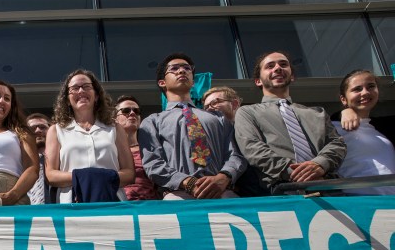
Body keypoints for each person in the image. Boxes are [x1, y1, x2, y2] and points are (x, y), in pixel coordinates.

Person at [234, 51, 346, 195]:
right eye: (270, 66)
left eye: (283, 64)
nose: (277, 68)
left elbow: (337, 144)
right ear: (258, 81)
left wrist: (320, 164)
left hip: (329, 188)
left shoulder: (318, 113)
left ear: (292, 76)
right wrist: (296, 173)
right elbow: (253, 149)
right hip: (283, 191)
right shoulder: (247, 112)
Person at [139, 53, 246, 200]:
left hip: (222, 192)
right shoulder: (153, 121)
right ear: (162, 82)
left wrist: (224, 176)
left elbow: (235, 153)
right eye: (174, 68)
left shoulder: (218, 117)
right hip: (178, 195)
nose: (182, 71)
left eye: (187, 68)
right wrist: (187, 182)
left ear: (193, 82)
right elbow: (153, 163)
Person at [46, 69, 134, 203]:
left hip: (113, 201)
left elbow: (129, 173)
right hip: (71, 203)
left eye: (86, 87)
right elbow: (51, 175)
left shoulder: (115, 128)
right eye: (74, 88)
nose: (81, 91)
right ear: (68, 99)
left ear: (97, 95)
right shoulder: (56, 130)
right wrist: (85, 177)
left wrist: (99, 178)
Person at [331, 70, 395, 195]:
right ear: (343, 99)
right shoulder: (332, 127)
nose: (365, 92)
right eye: (357, 89)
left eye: (371, 86)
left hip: (390, 205)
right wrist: (343, 112)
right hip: (359, 204)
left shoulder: (383, 129)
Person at [114, 95, 156, 200]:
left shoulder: (151, 149)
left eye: (136, 111)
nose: (132, 113)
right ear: (115, 118)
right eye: (126, 110)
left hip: (148, 207)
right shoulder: (109, 151)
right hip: (117, 206)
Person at [26, 112, 52, 204]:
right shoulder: (20, 161)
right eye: (32, 128)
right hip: (28, 213)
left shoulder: (62, 158)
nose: (38, 130)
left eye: (42, 127)